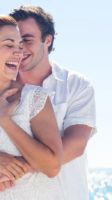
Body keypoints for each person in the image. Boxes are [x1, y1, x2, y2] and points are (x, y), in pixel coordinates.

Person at [8, 5, 96, 200]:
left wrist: (11, 167)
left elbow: (76, 144)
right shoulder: (3, 88)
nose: (19, 48)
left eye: (26, 40)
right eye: (13, 41)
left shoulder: (76, 85)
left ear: (47, 40)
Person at [0, 15, 64, 199]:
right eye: (9, 45)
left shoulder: (33, 97)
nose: (19, 52)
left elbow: (52, 166)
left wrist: (6, 121)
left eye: (20, 45)